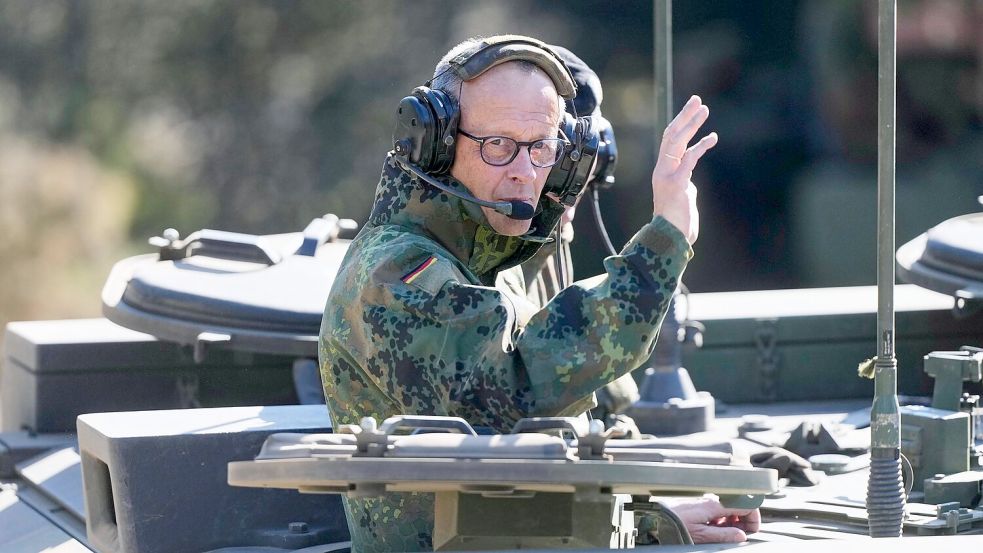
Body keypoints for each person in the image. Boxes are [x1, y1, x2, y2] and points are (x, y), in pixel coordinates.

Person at [319, 35, 755, 551]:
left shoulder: (491, 257)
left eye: (542, 147)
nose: (525, 172)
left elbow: (540, 459)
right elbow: (517, 391)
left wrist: (652, 515)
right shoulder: (394, 275)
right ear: (435, 143)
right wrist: (664, 242)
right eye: (498, 145)